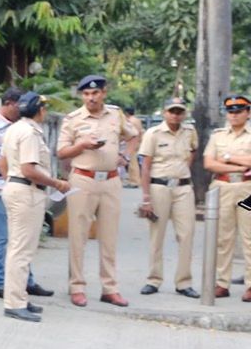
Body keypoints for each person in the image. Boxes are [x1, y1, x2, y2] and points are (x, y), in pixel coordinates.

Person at [56, 74, 129, 307]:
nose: (91, 98)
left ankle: (110, 288)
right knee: (78, 236)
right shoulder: (73, 119)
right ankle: (77, 286)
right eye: (86, 94)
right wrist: (82, 145)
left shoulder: (115, 115)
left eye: (95, 93)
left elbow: (133, 135)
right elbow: (61, 152)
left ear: (104, 93)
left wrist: (125, 156)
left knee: (109, 238)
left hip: (111, 181)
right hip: (83, 180)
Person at [0, 92, 71, 322]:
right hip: (27, 192)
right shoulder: (30, 133)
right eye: (44, 108)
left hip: (17, 188)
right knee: (21, 250)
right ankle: (14, 302)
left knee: (19, 248)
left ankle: (18, 297)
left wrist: (12, 181)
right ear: (39, 110)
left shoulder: (14, 128)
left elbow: (3, 162)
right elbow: (29, 169)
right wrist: (56, 183)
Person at [0, 87, 52, 299]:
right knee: (2, 240)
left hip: (7, 186)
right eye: (19, 106)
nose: (22, 110)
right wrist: (15, 167)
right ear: (9, 103)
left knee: (20, 241)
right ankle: (0, 284)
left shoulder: (15, 127)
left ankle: (25, 282)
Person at [137, 98, 199, 298]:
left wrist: (182, 171)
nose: (175, 115)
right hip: (159, 188)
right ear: (164, 113)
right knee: (157, 235)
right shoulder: (153, 134)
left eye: (179, 112)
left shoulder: (189, 132)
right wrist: (146, 198)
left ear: (184, 114)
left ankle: (184, 282)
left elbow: (192, 152)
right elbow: (145, 167)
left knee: (186, 235)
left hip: (183, 188)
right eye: (172, 111)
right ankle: (153, 280)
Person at [202, 94, 251, 300]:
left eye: (238, 111)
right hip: (222, 187)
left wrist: (229, 157)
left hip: (247, 189)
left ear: (248, 113)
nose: (234, 115)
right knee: (223, 238)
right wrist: (240, 166)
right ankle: (222, 283)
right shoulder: (218, 136)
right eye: (230, 112)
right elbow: (209, 163)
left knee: (249, 237)